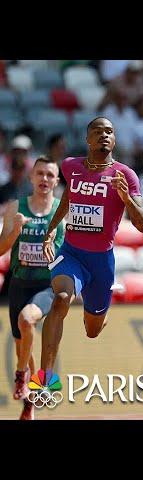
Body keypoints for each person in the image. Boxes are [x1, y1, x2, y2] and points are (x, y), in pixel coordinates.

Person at [40, 117, 143, 379]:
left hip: (101, 263)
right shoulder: (70, 166)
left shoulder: (125, 175)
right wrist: (52, 227)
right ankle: (45, 380)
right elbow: (69, 196)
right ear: (87, 139)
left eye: (109, 131)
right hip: (71, 253)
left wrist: (126, 199)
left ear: (114, 140)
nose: (104, 135)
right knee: (61, 300)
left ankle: (100, 313)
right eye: (98, 131)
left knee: (92, 331)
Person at [0, 157, 64, 420]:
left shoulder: (63, 211)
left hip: (47, 285)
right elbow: (1, 249)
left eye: (50, 175)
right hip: (19, 283)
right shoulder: (16, 207)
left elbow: (71, 252)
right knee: (22, 345)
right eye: (40, 174)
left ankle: (20, 375)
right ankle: (31, 400)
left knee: (27, 320)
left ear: (57, 181)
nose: (45, 179)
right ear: (31, 178)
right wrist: (15, 231)